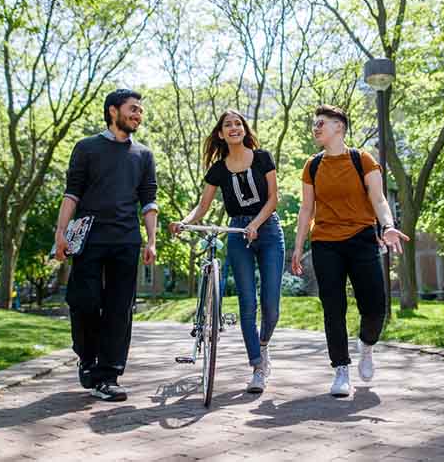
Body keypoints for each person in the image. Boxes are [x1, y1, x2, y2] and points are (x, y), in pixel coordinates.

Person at [291, 104, 409, 398]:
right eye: (314, 124)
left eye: (321, 123)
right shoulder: (312, 166)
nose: (315, 128)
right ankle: (341, 369)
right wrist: (297, 247)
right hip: (325, 243)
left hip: (361, 238)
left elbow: (380, 199)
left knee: (375, 307)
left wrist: (388, 226)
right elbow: (306, 209)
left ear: (338, 128)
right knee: (333, 307)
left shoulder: (362, 160)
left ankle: (366, 346)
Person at [170, 109, 285, 394]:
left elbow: (273, 199)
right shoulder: (218, 170)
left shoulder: (263, 158)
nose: (233, 127)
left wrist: (256, 224)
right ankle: (258, 367)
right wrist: (184, 222)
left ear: (244, 130)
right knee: (247, 303)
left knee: (271, 305)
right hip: (237, 233)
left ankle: (263, 345)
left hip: (268, 229)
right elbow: (203, 206)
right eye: (227, 125)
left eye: (238, 123)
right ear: (221, 134)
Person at [54, 89, 158, 402]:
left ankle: (108, 375)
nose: (138, 115)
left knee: (119, 309)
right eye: (133, 109)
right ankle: (86, 357)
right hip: (88, 239)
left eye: (140, 111)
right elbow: (72, 193)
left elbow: (149, 200)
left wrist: (151, 240)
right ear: (113, 111)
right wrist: (60, 232)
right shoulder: (86, 148)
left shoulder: (143, 155)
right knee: (83, 301)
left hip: (126, 240)